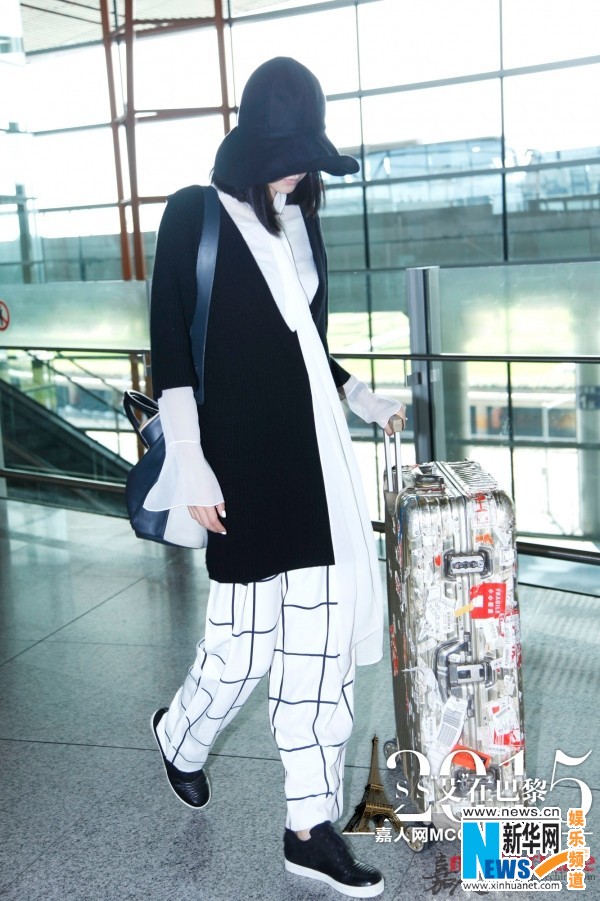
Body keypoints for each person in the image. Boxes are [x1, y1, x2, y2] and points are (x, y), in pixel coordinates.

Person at [146, 56, 405, 899]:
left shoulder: (301, 222)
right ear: (253, 144)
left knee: (319, 657)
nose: (297, 173)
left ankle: (309, 827)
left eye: (305, 157)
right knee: (242, 648)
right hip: (234, 467)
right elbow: (171, 352)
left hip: (314, 467)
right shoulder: (193, 214)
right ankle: (181, 734)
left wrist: (362, 397)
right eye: (286, 156)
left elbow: (308, 347)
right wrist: (191, 463)